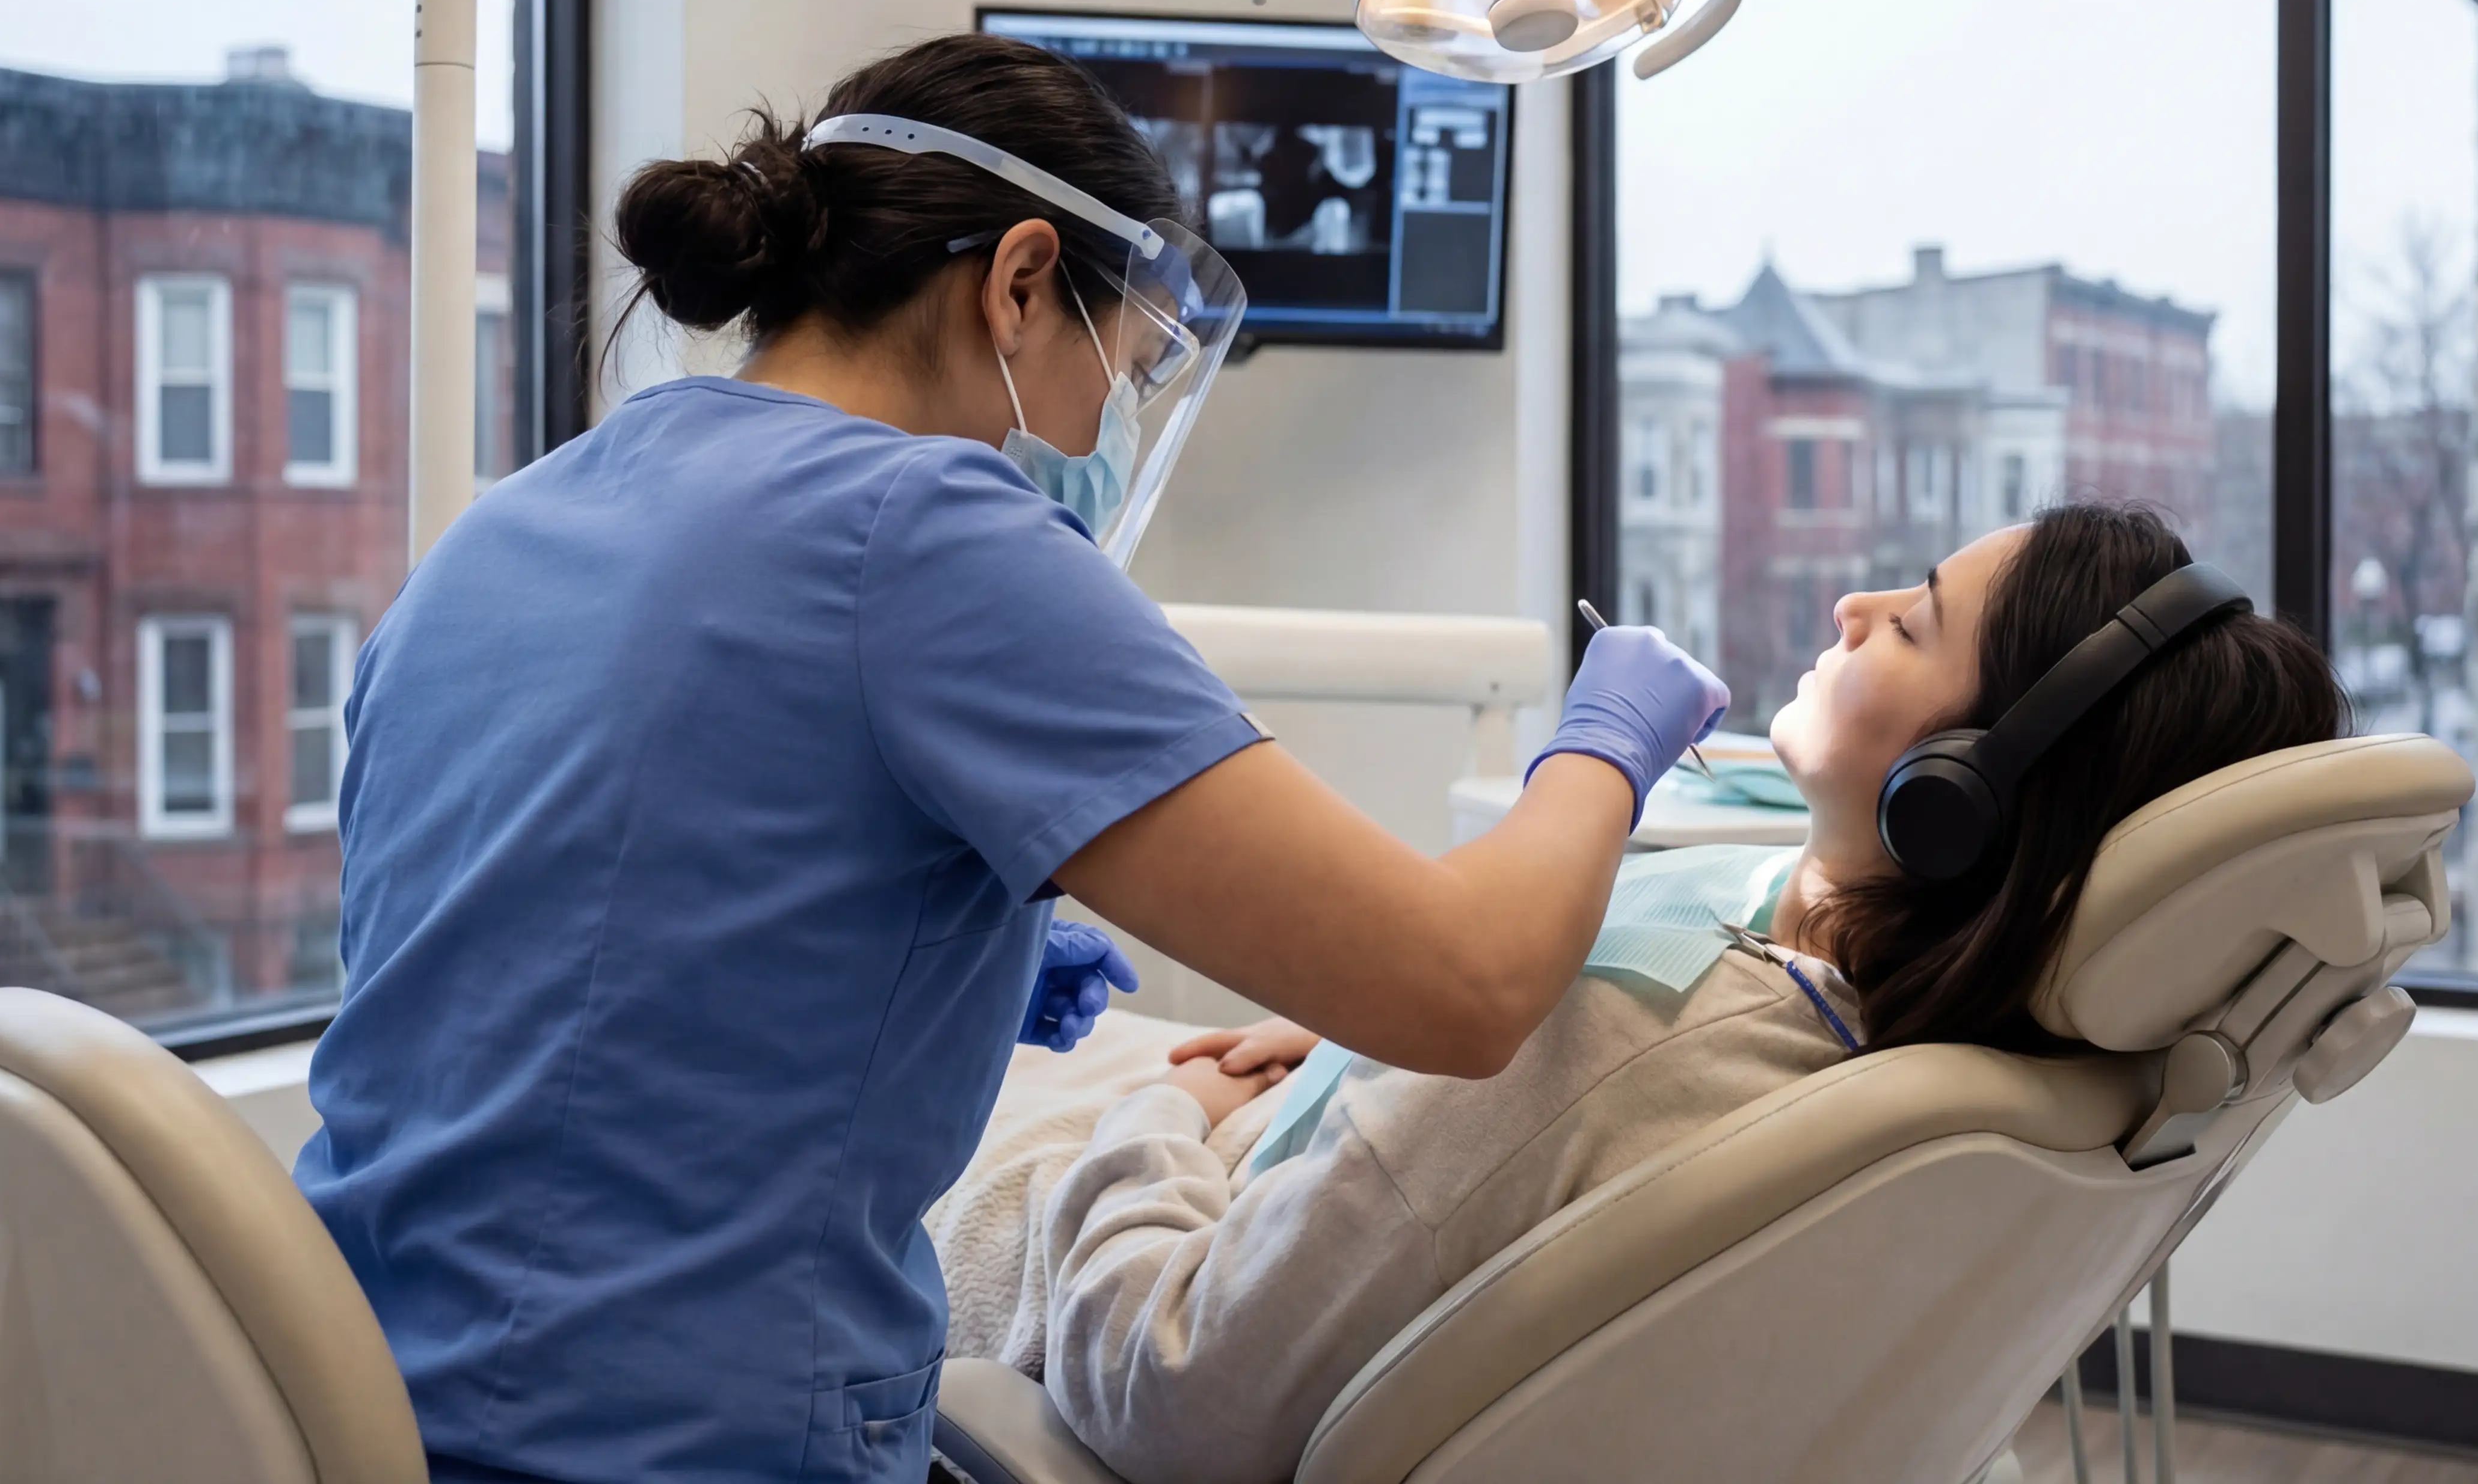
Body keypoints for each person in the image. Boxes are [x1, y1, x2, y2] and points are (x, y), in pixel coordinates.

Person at [292, 32, 1727, 1484]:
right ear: (1022, 280)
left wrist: (909, 952)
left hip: (349, 1417)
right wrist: (1607, 739)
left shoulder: (504, 528)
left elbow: (526, 952)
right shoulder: (927, 533)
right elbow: (1466, 982)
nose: (1105, 430)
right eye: (1125, 369)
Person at [920, 501, 2348, 1484]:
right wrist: (1365, 1045)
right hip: (1287, 1163)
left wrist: (1152, 1122)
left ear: (1956, 802)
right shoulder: (1928, 1027)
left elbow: (1171, 1393)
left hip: (1073, 1241)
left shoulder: (1597, 1040)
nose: (1852, 606)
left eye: (1907, 625)